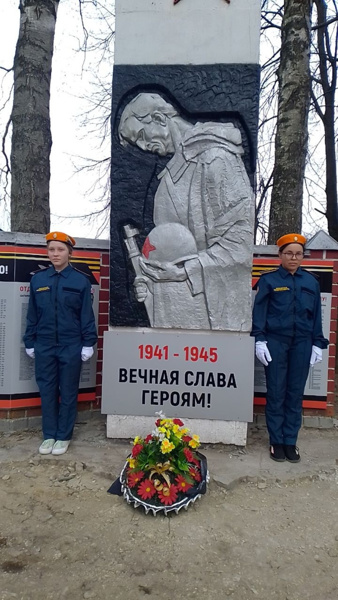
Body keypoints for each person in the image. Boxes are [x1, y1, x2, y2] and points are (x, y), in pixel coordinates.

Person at [118, 92, 254, 331]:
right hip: (177, 315)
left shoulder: (216, 159)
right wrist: (149, 282)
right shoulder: (173, 173)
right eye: (135, 143)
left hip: (212, 320)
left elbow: (238, 246)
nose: (142, 147)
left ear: (159, 118)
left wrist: (184, 271)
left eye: (140, 135)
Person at [252, 233, 328, 463]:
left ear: (302, 256)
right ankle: (276, 441)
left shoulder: (311, 282)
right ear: (280, 255)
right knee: (276, 392)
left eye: (297, 254)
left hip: (303, 343)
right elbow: (260, 312)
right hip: (276, 341)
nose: (293, 258)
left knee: (295, 394)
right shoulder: (269, 281)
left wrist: (318, 342)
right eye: (288, 253)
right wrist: (259, 339)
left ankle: (290, 441)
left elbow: (316, 315)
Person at [23, 232, 97, 456]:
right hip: (44, 345)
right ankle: (49, 435)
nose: (55, 254)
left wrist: (88, 343)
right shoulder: (38, 280)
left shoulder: (80, 281)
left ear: (70, 253)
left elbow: (86, 315)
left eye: (60, 249)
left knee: (68, 391)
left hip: (70, 345)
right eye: (51, 249)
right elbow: (32, 314)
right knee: (46, 390)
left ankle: (63, 436)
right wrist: (30, 341)